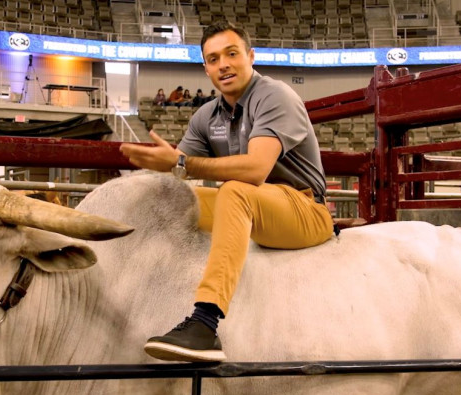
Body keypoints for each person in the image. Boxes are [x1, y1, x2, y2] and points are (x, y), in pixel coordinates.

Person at [119, 21, 333, 363]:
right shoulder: (207, 115)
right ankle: (126, 289)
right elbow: (179, 170)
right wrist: (157, 170)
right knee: (160, 196)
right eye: (213, 58)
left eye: (232, 54)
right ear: (205, 68)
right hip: (253, 206)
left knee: (235, 190)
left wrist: (181, 162)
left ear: (250, 56)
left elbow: (254, 170)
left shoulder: (275, 95)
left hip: (304, 209)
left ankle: (205, 323)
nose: (224, 65)